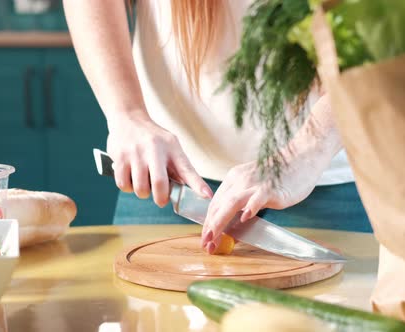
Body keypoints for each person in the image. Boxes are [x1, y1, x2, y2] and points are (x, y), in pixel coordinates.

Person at [63, 0, 372, 254]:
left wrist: (308, 149)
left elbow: (387, 32)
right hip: (167, 175)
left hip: (328, 174)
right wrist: (127, 114)